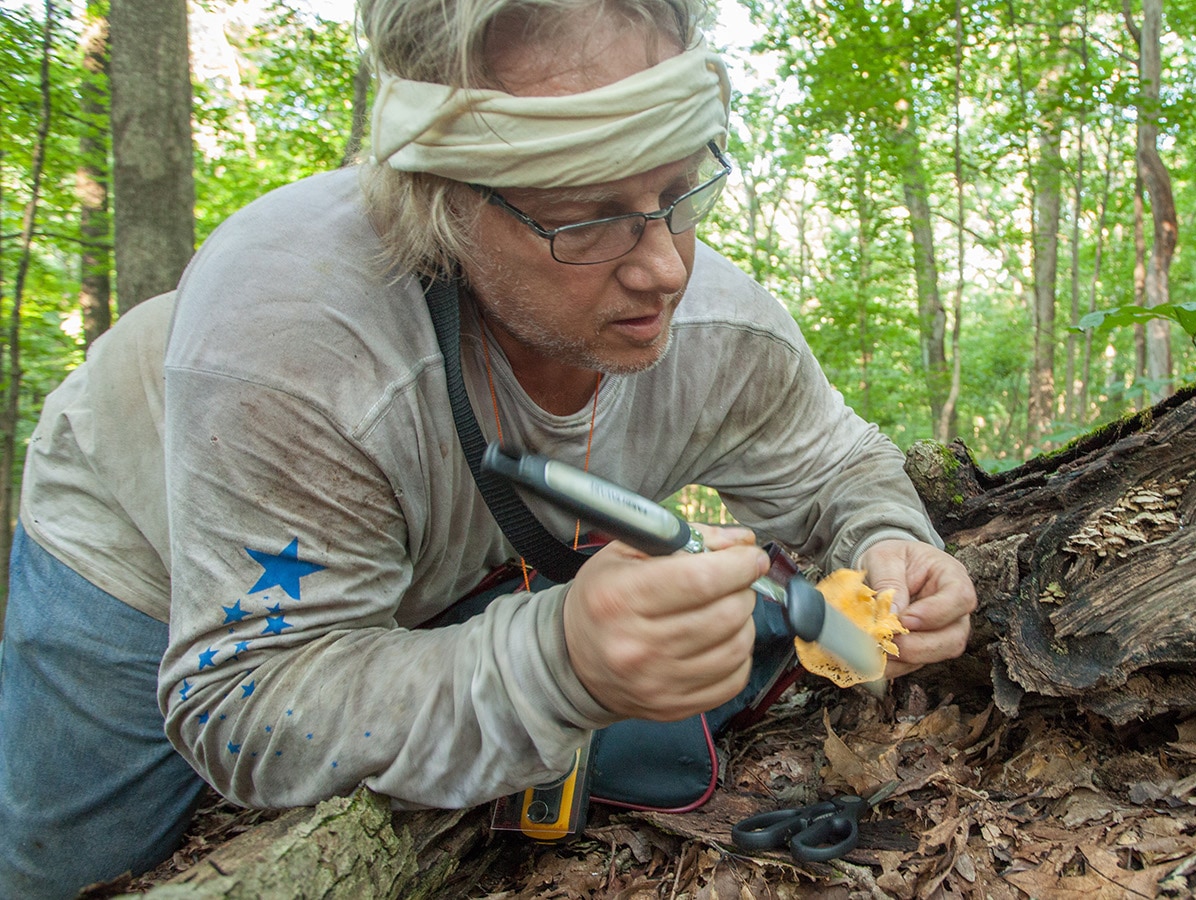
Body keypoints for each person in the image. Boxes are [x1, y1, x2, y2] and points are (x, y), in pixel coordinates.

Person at [0, 0, 976, 894]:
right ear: (446, 203)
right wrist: (556, 664)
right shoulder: (292, 339)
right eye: (586, 217)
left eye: (681, 188)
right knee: (67, 861)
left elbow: (834, 467)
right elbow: (249, 701)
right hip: (140, 538)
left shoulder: (720, 331)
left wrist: (890, 543)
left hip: (433, 543)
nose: (667, 266)